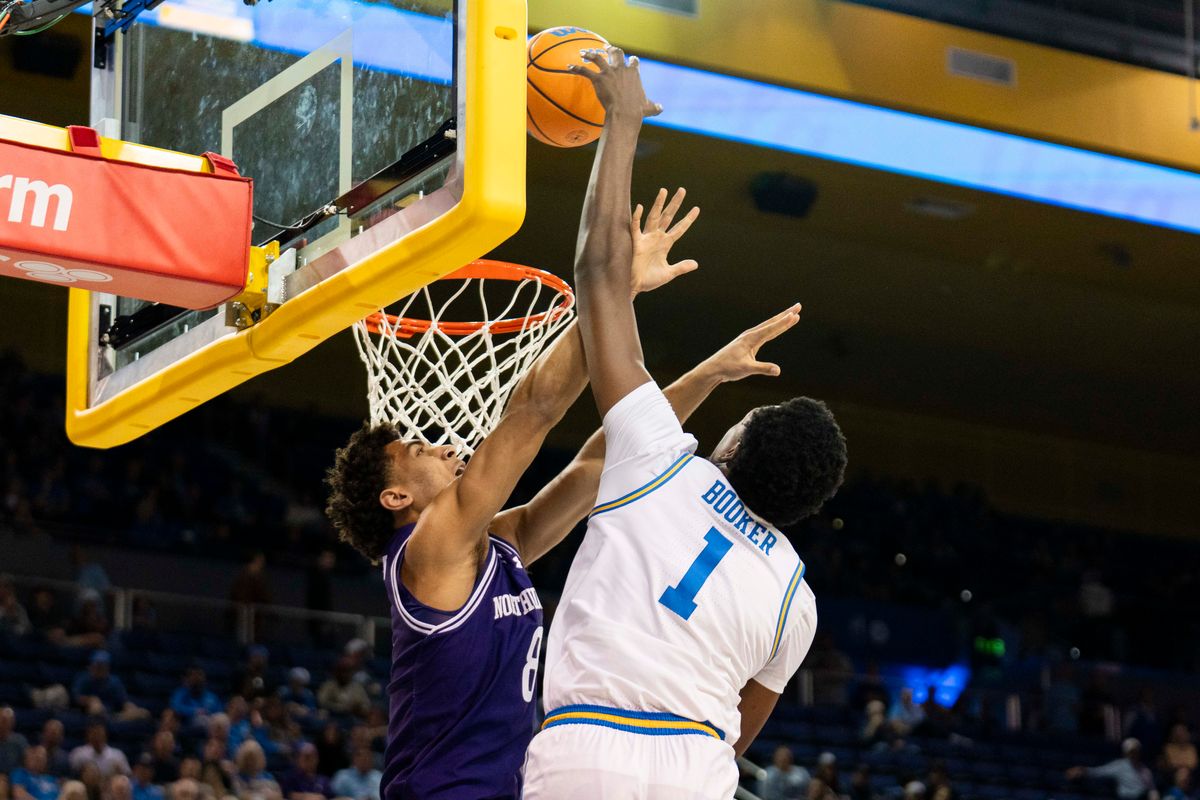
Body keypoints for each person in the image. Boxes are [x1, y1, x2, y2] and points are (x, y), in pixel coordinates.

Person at [323, 97, 748, 798]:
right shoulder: (429, 549)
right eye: (417, 449)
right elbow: (535, 408)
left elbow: (594, 464)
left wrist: (706, 373)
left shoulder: (495, 546)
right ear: (395, 497)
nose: (439, 444)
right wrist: (612, 295)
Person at [522, 47, 846, 799]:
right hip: (696, 765)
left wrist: (622, 124)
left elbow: (601, 276)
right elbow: (742, 728)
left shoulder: (663, 463)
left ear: (728, 446)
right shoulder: (797, 598)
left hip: (587, 747)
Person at [1067, 738, 1159, 800]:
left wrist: (1154, 795)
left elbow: (1152, 789)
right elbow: (1098, 771)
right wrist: (1081, 770)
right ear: (1126, 753)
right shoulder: (1119, 765)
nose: (1134, 755)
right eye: (1131, 752)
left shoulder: (1145, 770)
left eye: (1136, 751)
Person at [72, 651, 147, 720]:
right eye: (96, 665)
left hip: (113, 714)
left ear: (107, 668)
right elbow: (77, 698)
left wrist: (131, 708)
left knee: (143, 713)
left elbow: (124, 701)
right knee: (96, 708)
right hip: (89, 714)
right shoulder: (83, 679)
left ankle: (115, 719)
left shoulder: (114, 681)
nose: (98, 669)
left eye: (102, 666)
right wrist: (91, 700)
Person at [0, 706, 29, 774]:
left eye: (7, 721)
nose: (3, 724)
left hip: (14, 779)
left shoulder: (20, 741)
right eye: (2, 720)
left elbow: (27, 763)